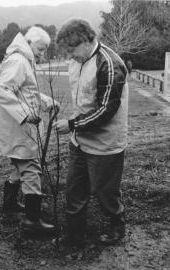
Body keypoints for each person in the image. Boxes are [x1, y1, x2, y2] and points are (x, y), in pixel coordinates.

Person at [53, 18, 129, 247]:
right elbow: (82, 100)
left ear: (88, 40)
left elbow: (106, 110)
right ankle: (74, 237)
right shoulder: (77, 61)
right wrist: (74, 127)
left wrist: (72, 125)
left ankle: (117, 225)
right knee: (74, 191)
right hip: (79, 141)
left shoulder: (110, 64)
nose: (69, 54)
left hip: (105, 144)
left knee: (105, 193)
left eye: (72, 48)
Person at [0, 26, 60, 233]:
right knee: (30, 168)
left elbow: (28, 92)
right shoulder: (18, 61)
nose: (42, 53)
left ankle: (10, 204)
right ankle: (32, 221)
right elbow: (2, 91)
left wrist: (48, 102)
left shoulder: (24, 60)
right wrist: (25, 114)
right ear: (29, 43)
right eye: (40, 48)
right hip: (20, 127)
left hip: (22, 127)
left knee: (19, 166)